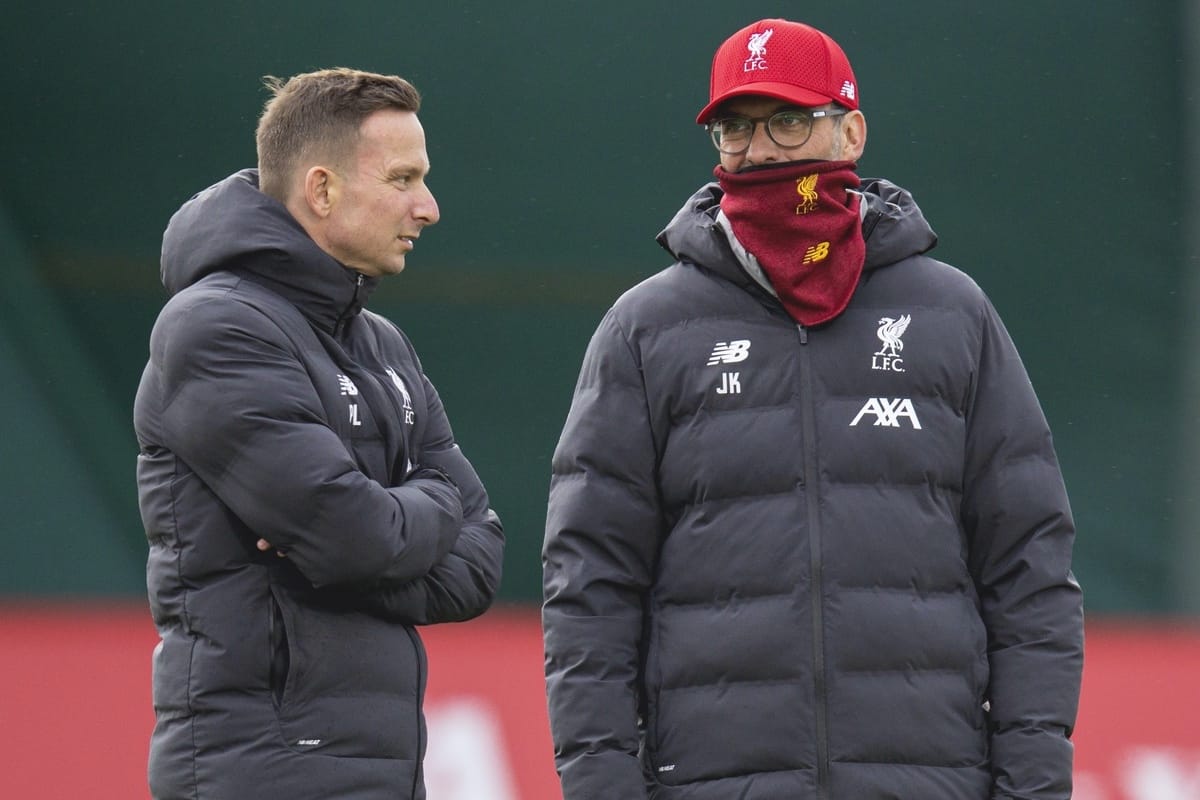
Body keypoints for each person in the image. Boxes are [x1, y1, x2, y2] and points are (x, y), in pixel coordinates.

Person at [542, 18, 1083, 800]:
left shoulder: (953, 314)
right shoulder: (646, 327)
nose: (760, 152)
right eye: (734, 128)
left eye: (789, 122)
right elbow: (589, 582)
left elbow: (1029, 567)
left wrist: (1033, 782)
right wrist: (600, 782)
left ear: (852, 130)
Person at [134, 68, 504, 800]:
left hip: (383, 771)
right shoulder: (215, 326)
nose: (427, 207)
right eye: (403, 179)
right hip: (263, 771)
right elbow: (357, 538)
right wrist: (416, 514)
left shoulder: (384, 343)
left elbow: (480, 562)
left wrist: (351, 550)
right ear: (322, 190)